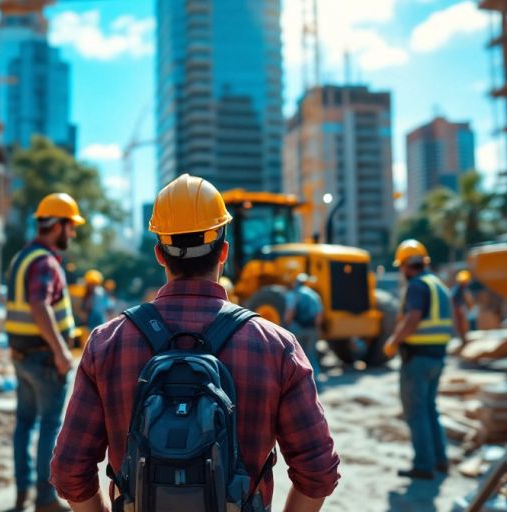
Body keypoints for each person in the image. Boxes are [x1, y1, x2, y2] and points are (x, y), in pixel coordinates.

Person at [50, 174, 339, 512]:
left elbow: (69, 471)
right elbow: (319, 472)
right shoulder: (276, 346)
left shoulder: (107, 343)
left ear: (159, 254)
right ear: (224, 252)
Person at [5, 192, 84, 512]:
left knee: (25, 423)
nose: (73, 233)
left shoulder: (22, 257)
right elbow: (39, 306)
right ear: (58, 226)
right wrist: (62, 351)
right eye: (71, 226)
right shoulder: (45, 262)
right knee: (49, 425)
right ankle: (45, 499)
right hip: (43, 358)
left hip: (22, 356)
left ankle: (23, 492)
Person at [382, 239, 454, 480]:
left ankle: (424, 465)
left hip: (417, 359)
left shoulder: (417, 286)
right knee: (430, 410)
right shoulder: (439, 285)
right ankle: (440, 460)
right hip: (437, 357)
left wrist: (393, 341)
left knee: (416, 413)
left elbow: (413, 319)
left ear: (404, 265)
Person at [284, 273, 324, 386]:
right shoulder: (314, 295)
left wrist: (287, 326)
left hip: (297, 329)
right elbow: (319, 314)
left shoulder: (293, 295)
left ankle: (301, 384)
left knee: (298, 357)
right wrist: (316, 328)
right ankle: (315, 382)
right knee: (311, 355)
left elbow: (289, 314)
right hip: (312, 330)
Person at [452, 270, 473, 347]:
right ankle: (463, 341)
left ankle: (463, 340)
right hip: (459, 309)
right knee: (462, 325)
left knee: (461, 326)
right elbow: (467, 299)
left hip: (459, 309)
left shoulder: (458, 288)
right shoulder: (461, 289)